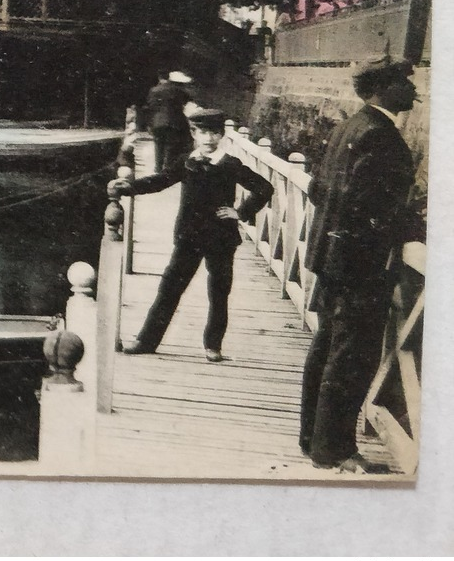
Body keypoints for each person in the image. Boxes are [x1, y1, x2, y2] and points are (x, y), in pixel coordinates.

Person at [299, 59, 422, 473]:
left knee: (326, 347)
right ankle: (333, 450)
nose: (412, 86)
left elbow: (320, 189)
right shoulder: (381, 136)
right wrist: (415, 228)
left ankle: (311, 439)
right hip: (360, 264)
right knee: (352, 356)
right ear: (381, 89)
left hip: (332, 257)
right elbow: (369, 204)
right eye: (403, 81)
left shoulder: (349, 127)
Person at [113, 107, 273, 362]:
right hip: (189, 237)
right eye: (203, 133)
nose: (209, 139)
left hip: (221, 239)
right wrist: (129, 187)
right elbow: (160, 181)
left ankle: (213, 346)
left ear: (221, 135)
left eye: (214, 133)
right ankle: (146, 341)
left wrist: (240, 212)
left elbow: (264, 188)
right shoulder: (187, 162)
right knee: (169, 288)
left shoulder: (230, 164)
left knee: (219, 293)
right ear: (194, 134)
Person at [144, 70, 195, 173]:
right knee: (171, 146)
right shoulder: (179, 91)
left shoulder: (154, 90)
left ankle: (158, 168)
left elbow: (150, 107)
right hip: (174, 121)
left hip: (157, 122)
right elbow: (187, 102)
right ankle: (168, 169)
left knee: (158, 145)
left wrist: (150, 123)